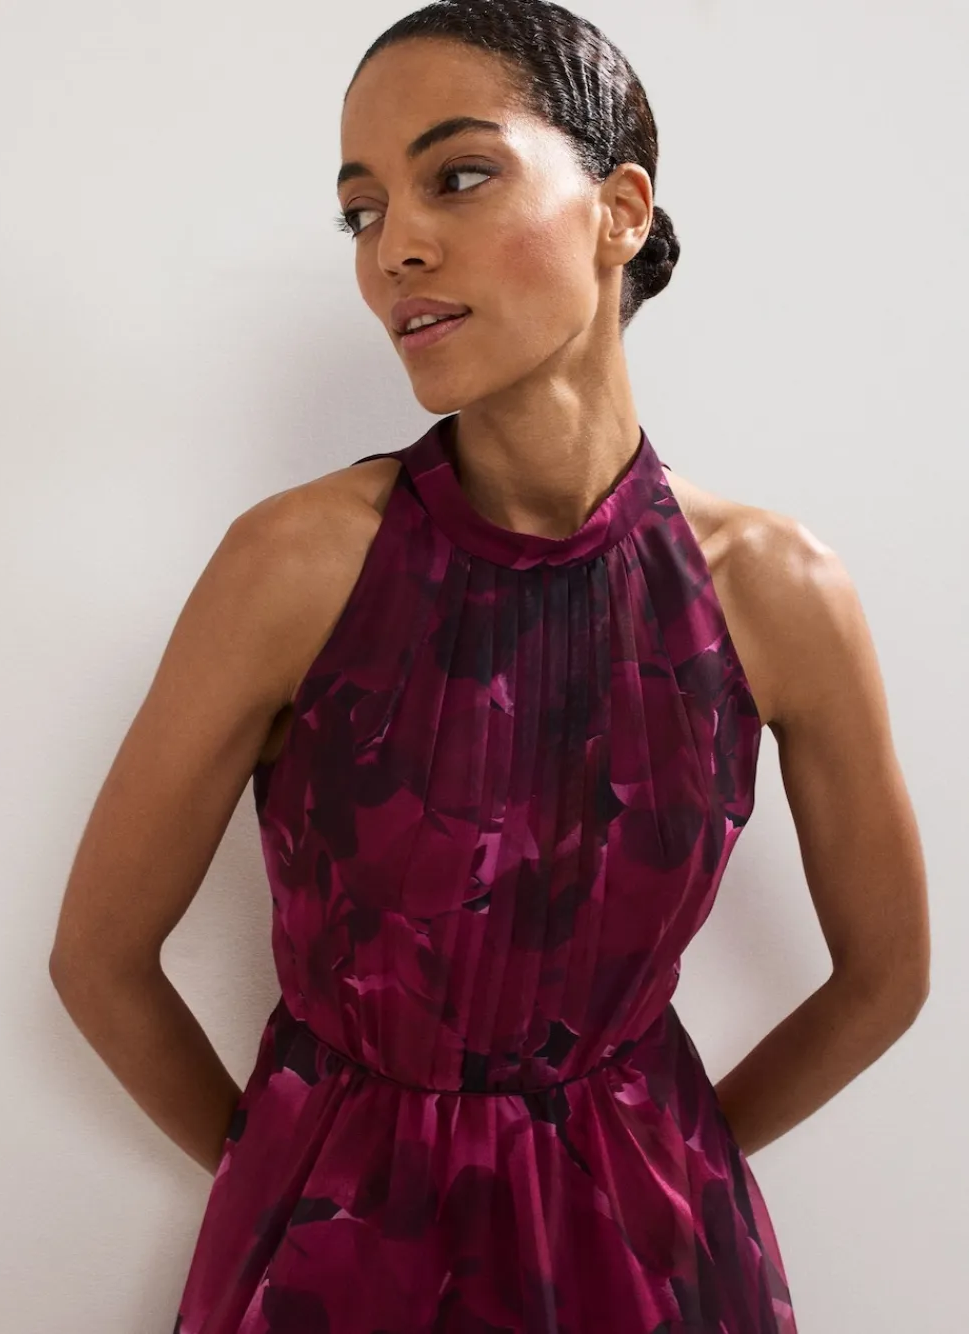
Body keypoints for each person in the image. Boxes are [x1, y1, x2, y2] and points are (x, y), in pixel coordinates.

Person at [49, 2, 931, 1331]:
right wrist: (286, 1175)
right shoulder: (295, 566)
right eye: (361, 211)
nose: (394, 246)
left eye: (458, 176)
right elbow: (98, 959)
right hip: (335, 1276)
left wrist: (667, 1165)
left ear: (620, 209)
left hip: (653, 1274)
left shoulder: (776, 590)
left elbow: (886, 977)